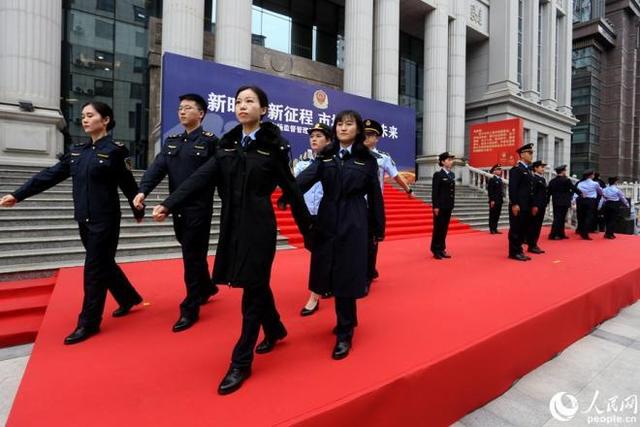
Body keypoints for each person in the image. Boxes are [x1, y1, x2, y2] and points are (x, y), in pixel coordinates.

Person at [152, 85, 312, 395]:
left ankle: (241, 361)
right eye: (239, 101)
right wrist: (170, 203)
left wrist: (310, 233)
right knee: (256, 284)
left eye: (250, 101)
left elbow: (292, 190)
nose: (242, 105)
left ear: (263, 109)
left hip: (260, 227)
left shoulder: (273, 147)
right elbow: (199, 178)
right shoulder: (226, 146)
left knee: (251, 293)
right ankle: (276, 329)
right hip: (232, 226)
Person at [0, 102, 144, 344]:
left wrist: (138, 208)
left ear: (105, 120)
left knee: (93, 270)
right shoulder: (77, 151)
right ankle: (128, 297)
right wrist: (18, 194)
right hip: (84, 219)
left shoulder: (115, 151)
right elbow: (49, 175)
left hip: (106, 220)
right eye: (83, 116)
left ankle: (88, 323)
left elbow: (128, 183)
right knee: (103, 263)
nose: (84, 120)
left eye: (90, 115)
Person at [288, 110, 385, 361]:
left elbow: (375, 196)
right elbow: (304, 179)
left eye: (349, 124)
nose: (343, 128)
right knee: (325, 268)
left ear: (357, 130)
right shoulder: (326, 157)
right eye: (339, 124)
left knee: (346, 273)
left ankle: (345, 331)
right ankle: (340, 316)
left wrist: (377, 228)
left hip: (354, 218)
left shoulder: (367, 160)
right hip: (328, 216)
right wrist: (287, 193)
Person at [133, 94, 218, 332]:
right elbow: (157, 168)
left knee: (191, 256)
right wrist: (143, 191)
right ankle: (208, 287)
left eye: (188, 108)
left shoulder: (211, 142)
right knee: (192, 251)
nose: (182, 112)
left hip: (199, 209)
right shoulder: (172, 142)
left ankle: (190, 307)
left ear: (200, 114)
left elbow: (210, 177)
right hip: (176, 208)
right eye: (180, 108)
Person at [362, 118, 411, 287]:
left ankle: (367, 275)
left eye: (370, 135)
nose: (366, 137)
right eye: (364, 134)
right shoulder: (350, 154)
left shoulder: (383, 158)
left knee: (371, 240)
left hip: (373, 205)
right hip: (353, 204)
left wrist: (408, 189)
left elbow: (396, 175)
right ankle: (363, 269)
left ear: (377, 138)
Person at [295, 122, 332, 316]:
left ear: (329, 140)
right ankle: (327, 281)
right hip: (308, 215)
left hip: (328, 216)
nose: (314, 139)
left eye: (319, 136)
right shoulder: (302, 165)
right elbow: (294, 188)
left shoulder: (334, 163)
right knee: (314, 250)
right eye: (312, 136)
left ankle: (314, 297)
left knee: (320, 254)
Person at [508, 143, 534, 261]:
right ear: (522, 155)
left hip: (526, 205)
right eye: (530, 153)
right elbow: (513, 188)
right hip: (518, 205)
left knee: (522, 229)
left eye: (531, 152)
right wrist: (514, 203)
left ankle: (519, 250)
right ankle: (514, 252)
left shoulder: (527, 170)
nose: (531, 155)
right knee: (516, 229)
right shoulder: (516, 169)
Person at [431, 152, 455, 259]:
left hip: (448, 206)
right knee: (438, 228)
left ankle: (442, 248)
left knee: (444, 228)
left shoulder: (451, 175)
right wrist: (435, 206)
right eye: (448, 160)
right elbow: (435, 192)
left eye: (451, 160)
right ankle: (435, 249)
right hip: (440, 206)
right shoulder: (438, 175)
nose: (451, 162)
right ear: (442, 162)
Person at [547, 165, 580, 240]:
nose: (565, 172)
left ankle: (560, 234)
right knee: (560, 219)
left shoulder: (552, 181)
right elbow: (573, 188)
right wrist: (581, 193)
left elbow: (549, 192)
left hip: (555, 201)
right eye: (565, 170)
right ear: (562, 171)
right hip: (564, 202)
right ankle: (553, 235)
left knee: (558, 218)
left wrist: (547, 200)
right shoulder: (566, 180)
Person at [526, 160, 548, 254]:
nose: (543, 169)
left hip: (542, 205)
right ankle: (532, 245)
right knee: (533, 226)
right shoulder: (533, 178)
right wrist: (534, 205)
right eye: (541, 167)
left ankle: (534, 244)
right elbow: (532, 193)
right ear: (535, 168)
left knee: (538, 226)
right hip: (536, 206)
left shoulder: (542, 179)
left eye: (543, 167)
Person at [575, 170, 603, 240]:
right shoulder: (595, 184)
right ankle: (585, 233)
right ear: (591, 175)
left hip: (581, 200)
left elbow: (577, 192)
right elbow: (600, 192)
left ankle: (581, 230)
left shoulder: (580, 183)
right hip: (590, 201)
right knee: (589, 217)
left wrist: (573, 201)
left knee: (581, 216)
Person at [487, 164, 504, 234]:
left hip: (499, 200)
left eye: (500, 169)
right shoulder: (492, 179)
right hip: (494, 200)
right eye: (498, 169)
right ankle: (492, 229)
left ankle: (495, 228)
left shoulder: (500, 180)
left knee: (497, 215)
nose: (500, 171)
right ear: (494, 171)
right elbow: (490, 191)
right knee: (492, 215)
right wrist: (492, 200)